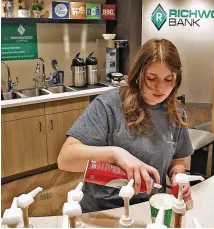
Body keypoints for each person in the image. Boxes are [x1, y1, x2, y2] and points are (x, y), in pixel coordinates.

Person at [58, 38, 194, 212]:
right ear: (138, 74)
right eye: (152, 78)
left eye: (169, 79)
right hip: (102, 211)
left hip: (147, 207)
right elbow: (65, 159)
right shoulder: (108, 105)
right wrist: (116, 154)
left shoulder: (175, 112)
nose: (160, 87)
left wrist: (178, 175)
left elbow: (177, 158)